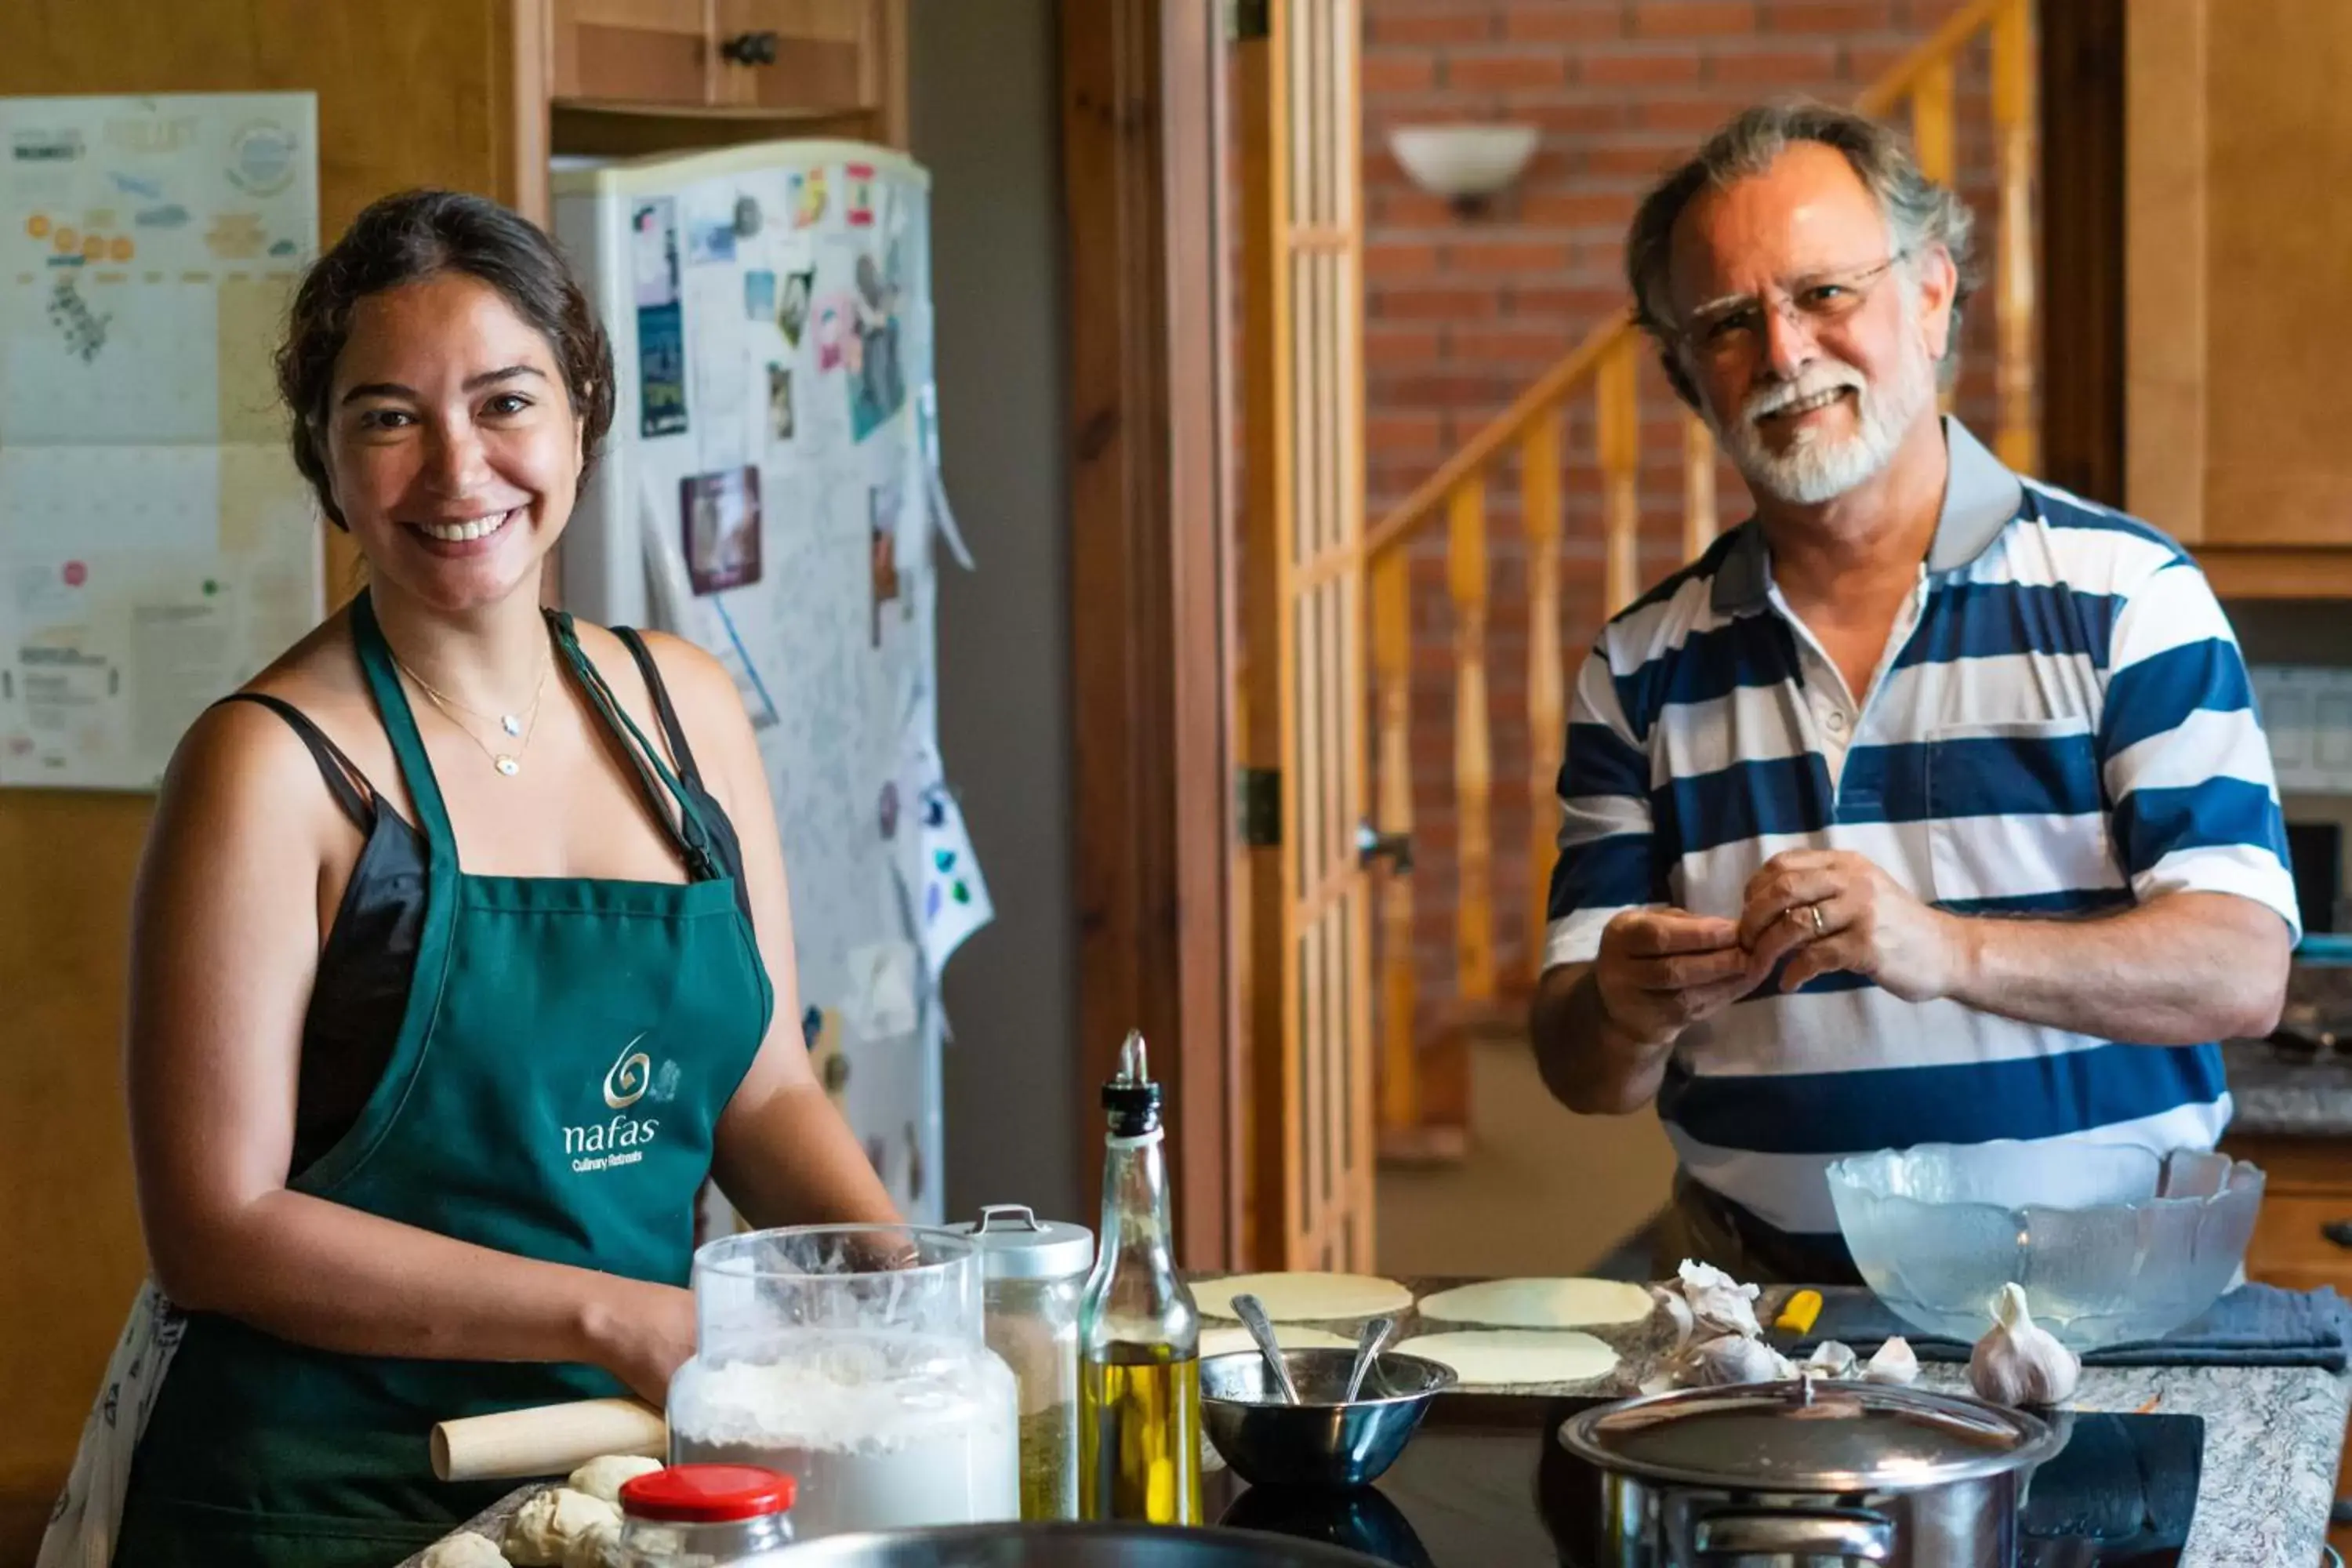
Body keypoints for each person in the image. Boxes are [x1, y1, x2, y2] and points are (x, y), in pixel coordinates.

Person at [39, 189, 900, 1568]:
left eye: (506, 403)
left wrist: (901, 1288)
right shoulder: (268, 770)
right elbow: (218, 1227)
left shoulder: (685, 711)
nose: (458, 470)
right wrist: (608, 1316)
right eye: (388, 417)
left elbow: (764, 1081)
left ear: (580, 416)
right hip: (316, 1503)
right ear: (324, 458)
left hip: (623, 1486)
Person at [1528, 103, 2299, 1286]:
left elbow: (2242, 971)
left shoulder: (2129, 598)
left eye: (1824, 293)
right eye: (1729, 322)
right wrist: (1629, 1010)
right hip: (1768, 1335)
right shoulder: (1637, 669)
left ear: (1933, 294)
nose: (1784, 353)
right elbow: (1585, 1070)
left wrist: (1938, 948)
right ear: (1687, 373)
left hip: (2102, 1326)